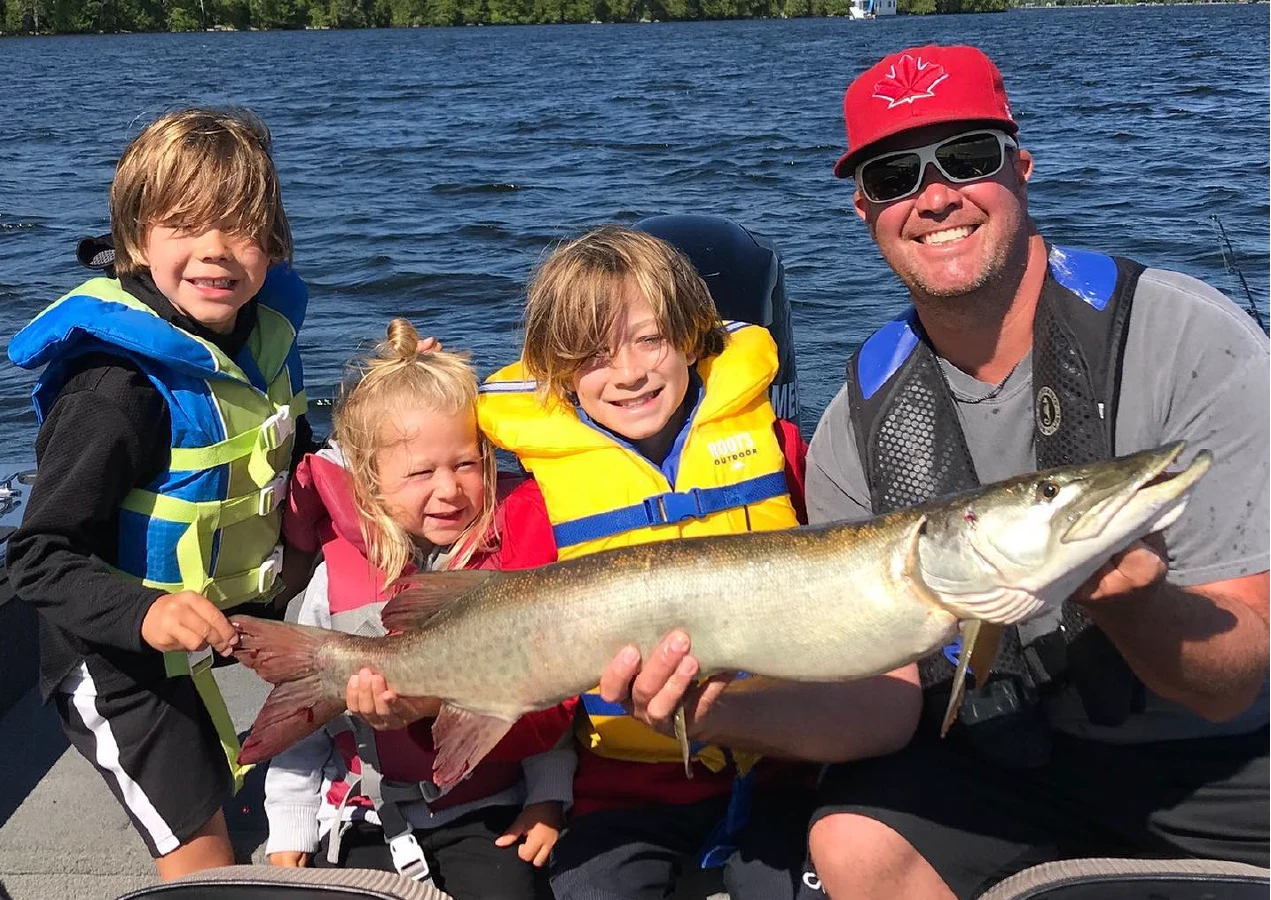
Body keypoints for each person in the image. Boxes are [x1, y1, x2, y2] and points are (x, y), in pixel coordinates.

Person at [801, 44, 1270, 899]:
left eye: (968, 158)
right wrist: (707, 703)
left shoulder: (1192, 341)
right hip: (1004, 752)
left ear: (1020, 168)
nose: (935, 195)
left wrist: (1140, 601)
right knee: (849, 841)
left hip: (1216, 754)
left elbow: (1236, 673)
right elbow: (884, 698)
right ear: (863, 208)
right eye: (896, 173)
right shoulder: (852, 425)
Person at [477, 225, 917, 900]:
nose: (628, 372)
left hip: (784, 765)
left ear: (691, 335)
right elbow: (539, 710)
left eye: (649, 339)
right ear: (554, 369)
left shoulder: (785, 452)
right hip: (623, 787)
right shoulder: (537, 511)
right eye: (592, 355)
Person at [5, 107, 316, 879]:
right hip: (114, 659)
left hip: (225, 614)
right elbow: (36, 558)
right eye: (182, 225)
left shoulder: (260, 338)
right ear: (137, 241)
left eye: (240, 227)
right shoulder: (113, 392)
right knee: (205, 867)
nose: (214, 250)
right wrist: (147, 612)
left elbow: (289, 454)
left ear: (272, 244)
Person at [263, 320, 576, 898]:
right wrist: (290, 825)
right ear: (370, 483)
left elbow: (545, 692)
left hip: (487, 806)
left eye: (465, 464)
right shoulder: (334, 581)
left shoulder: (512, 566)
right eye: (419, 472)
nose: (449, 489)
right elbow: (300, 722)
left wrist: (548, 799)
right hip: (366, 813)